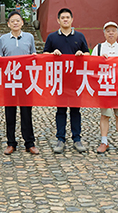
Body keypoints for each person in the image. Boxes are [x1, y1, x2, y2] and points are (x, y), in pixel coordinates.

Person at [43, 8, 90, 154]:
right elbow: (44, 54)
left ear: (72, 19)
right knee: (61, 110)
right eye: (62, 18)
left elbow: (88, 53)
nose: (65, 20)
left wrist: (82, 54)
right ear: (58, 20)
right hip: (59, 80)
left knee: (76, 110)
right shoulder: (52, 37)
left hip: (76, 80)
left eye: (67, 17)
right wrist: (52, 54)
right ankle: (60, 139)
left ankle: (77, 138)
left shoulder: (80, 36)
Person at [0, 10, 39, 155]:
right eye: (12, 21)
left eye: (18, 20)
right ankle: (11, 143)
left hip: (26, 81)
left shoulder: (29, 37)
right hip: (9, 81)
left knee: (26, 112)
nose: (15, 23)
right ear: (8, 24)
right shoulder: (3, 39)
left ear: (22, 23)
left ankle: (30, 143)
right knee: (10, 113)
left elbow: (33, 56)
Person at [91, 22, 118, 154]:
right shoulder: (98, 48)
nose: (111, 33)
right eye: (108, 31)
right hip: (105, 87)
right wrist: (100, 60)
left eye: (113, 31)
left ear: (117, 33)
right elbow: (91, 67)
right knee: (105, 115)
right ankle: (104, 141)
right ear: (104, 33)